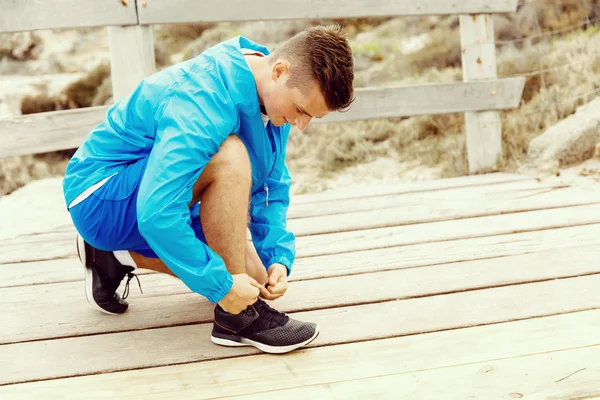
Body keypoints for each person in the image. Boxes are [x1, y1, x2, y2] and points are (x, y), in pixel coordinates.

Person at [63, 25, 354, 354]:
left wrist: (277, 257)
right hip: (101, 195)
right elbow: (157, 212)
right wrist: (223, 286)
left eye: (311, 117)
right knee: (229, 156)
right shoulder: (205, 97)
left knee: (256, 282)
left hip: (163, 192)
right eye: (302, 111)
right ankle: (236, 319)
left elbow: (272, 185)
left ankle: (114, 256)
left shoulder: (274, 101)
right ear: (279, 71)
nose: (301, 125)